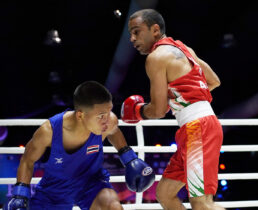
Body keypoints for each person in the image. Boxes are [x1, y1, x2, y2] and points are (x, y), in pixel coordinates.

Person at [121, 9, 224, 210]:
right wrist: (180, 100)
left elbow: (158, 111)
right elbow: (213, 81)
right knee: (165, 193)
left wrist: (138, 111)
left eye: (136, 32)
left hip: (198, 129)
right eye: (130, 34)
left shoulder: (156, 57)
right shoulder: (184, 49)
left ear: (155, 29)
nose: (132, 39)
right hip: (194, 129)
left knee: (202, 204)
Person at [5, 81, 155, 210]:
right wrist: (20, 194)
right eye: (101, 115)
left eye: (109, 111)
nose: (107, 119)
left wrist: (129, 158)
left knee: (112, 206)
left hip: (92, 182)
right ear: (80, 115)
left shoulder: (108, 122)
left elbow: (114, 132)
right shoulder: (49, 131)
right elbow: (27, 160)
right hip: (55, 189)